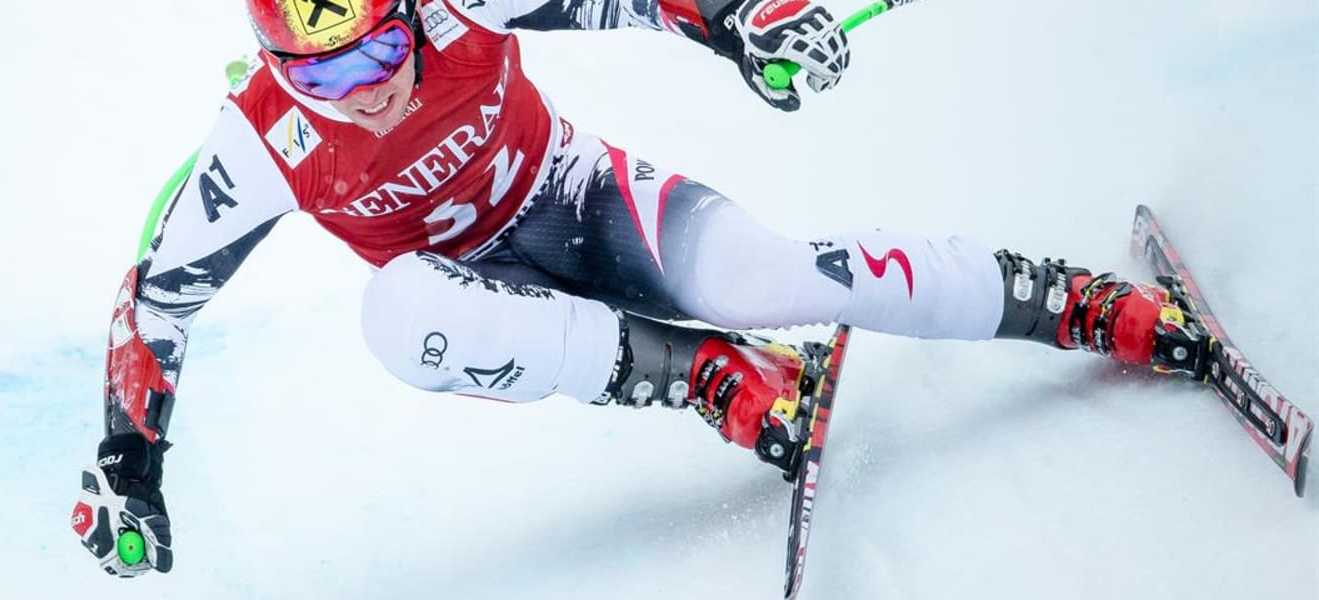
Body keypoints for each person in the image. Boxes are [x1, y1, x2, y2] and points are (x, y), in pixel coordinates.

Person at [69, 0, 1205, 576]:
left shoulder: (457, 3)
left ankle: (1071, 302)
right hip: (467, 295)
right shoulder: (256, 148)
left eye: (377, 51)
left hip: (579, 200)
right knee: (395, 318)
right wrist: (133, 465)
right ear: (276, 70)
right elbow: (153, 302)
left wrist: (745, 23)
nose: (365, 91)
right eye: (323, 74)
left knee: (775, 276)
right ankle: (715, 378)